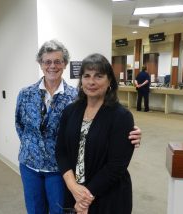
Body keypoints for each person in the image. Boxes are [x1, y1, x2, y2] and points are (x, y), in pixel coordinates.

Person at [15, 40, 141, 214]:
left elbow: (113, 150)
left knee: (60, 210)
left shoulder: (73, 98)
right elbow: (20, 126)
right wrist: (32, 146)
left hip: (58, 170)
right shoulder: (26, 94)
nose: (52, 66)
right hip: (30, 165)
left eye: (58, 61)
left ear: (65, 64)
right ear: (40, 64)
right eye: (47, 61)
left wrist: (133, 133)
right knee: (35, 210)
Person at [56, 53, 135, 214]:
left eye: (98, 76)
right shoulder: (70, 111)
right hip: (74, 191)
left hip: (107, 196)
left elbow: (116, 166)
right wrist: (73, 187)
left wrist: (84, 199)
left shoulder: (121, 117)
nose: (91, 82)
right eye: (87, 76)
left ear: (110, 81)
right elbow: (61, 151)